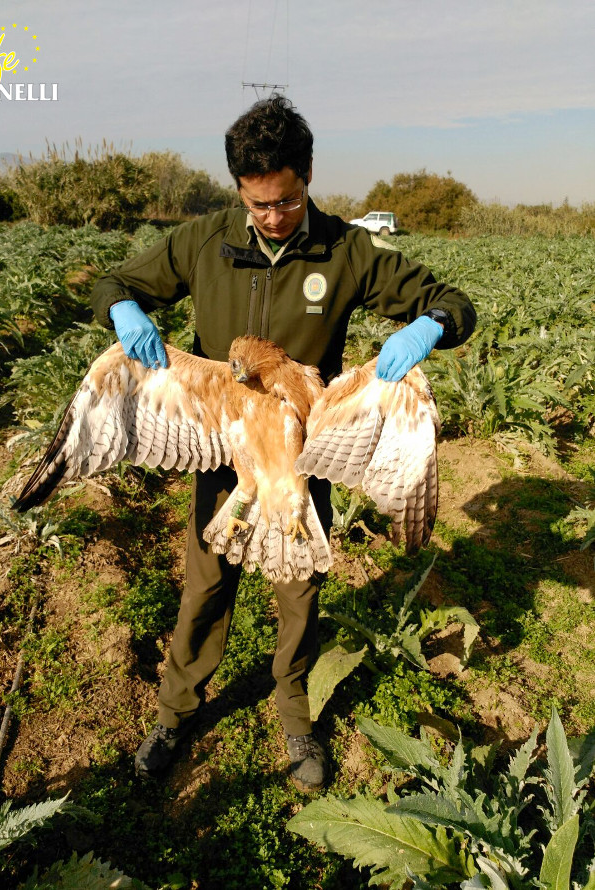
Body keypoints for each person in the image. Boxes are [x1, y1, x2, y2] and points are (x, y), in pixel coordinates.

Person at [90, 95, 476, 793]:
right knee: (205, 587)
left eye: (287, 200)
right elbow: (116, 280)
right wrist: (120, 306)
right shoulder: (203, 241)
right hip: (227, 459)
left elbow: (450, 300)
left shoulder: (347, 248)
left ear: (306, 178)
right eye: (258, 203)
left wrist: (431, 326)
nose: (273, 217)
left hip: (302, 457)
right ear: (239, 189)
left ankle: (296, 717)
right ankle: (176, 712)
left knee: (299, 595)